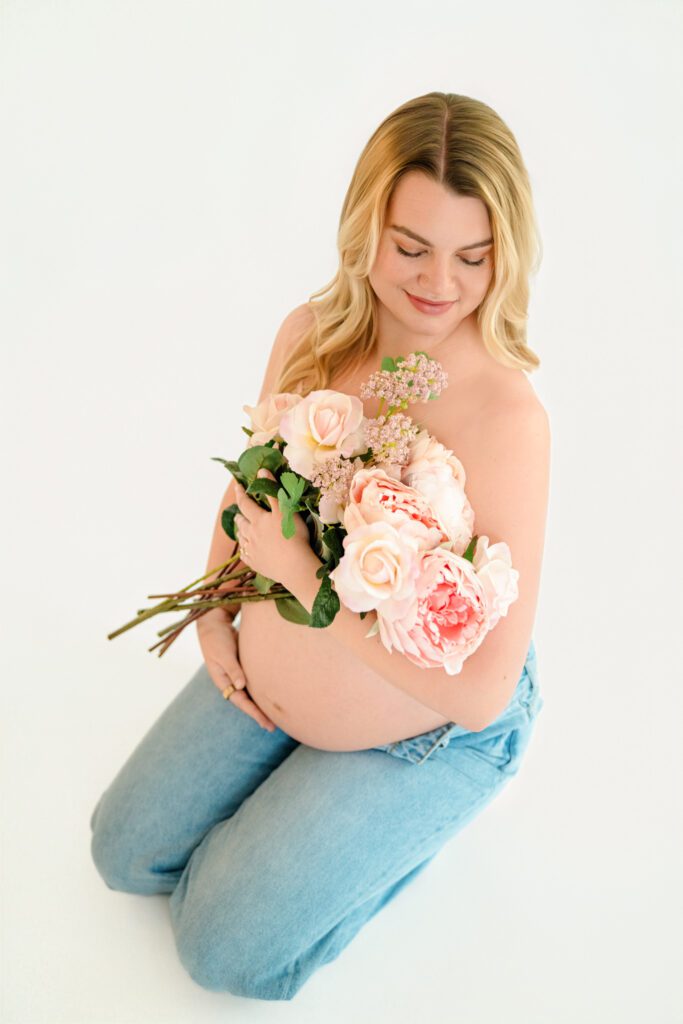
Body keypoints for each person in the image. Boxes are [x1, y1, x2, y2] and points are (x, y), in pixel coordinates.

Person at [90, 90, 550, 1002]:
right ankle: (299, 799)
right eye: (410, 247)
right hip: (278, 680)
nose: (438, 282)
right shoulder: (312, 334)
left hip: (432, 729)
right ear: (365, 225)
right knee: (122, 853)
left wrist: (304, 580)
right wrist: (214, 610)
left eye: (472, 256)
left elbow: (481, 690)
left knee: (220, 950)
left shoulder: (507, 418)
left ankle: (402, 823)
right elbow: (250, 486)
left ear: (505, 253)